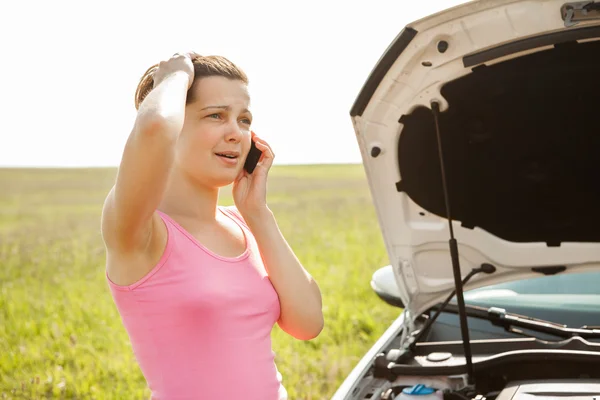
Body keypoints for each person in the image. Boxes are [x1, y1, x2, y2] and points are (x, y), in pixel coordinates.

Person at [100, 52, 324, 400]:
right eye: (216, 116)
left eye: (244, 119)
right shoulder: (139, 232)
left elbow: (308, 323)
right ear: (177, 123)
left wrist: (258, 214)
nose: (236, 133)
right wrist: (173, 76)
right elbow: (155, 127)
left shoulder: (243, 224)